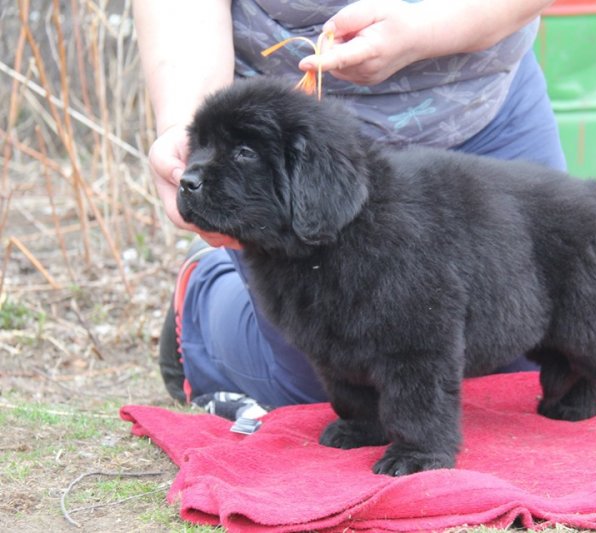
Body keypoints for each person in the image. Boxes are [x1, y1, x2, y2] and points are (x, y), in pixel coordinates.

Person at [132, 0, 566, 413]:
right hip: (293, 159)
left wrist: (428, 29)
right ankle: (203, 296)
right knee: (333, 383)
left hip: (481, 112)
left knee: (523, 348)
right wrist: (188, 129)